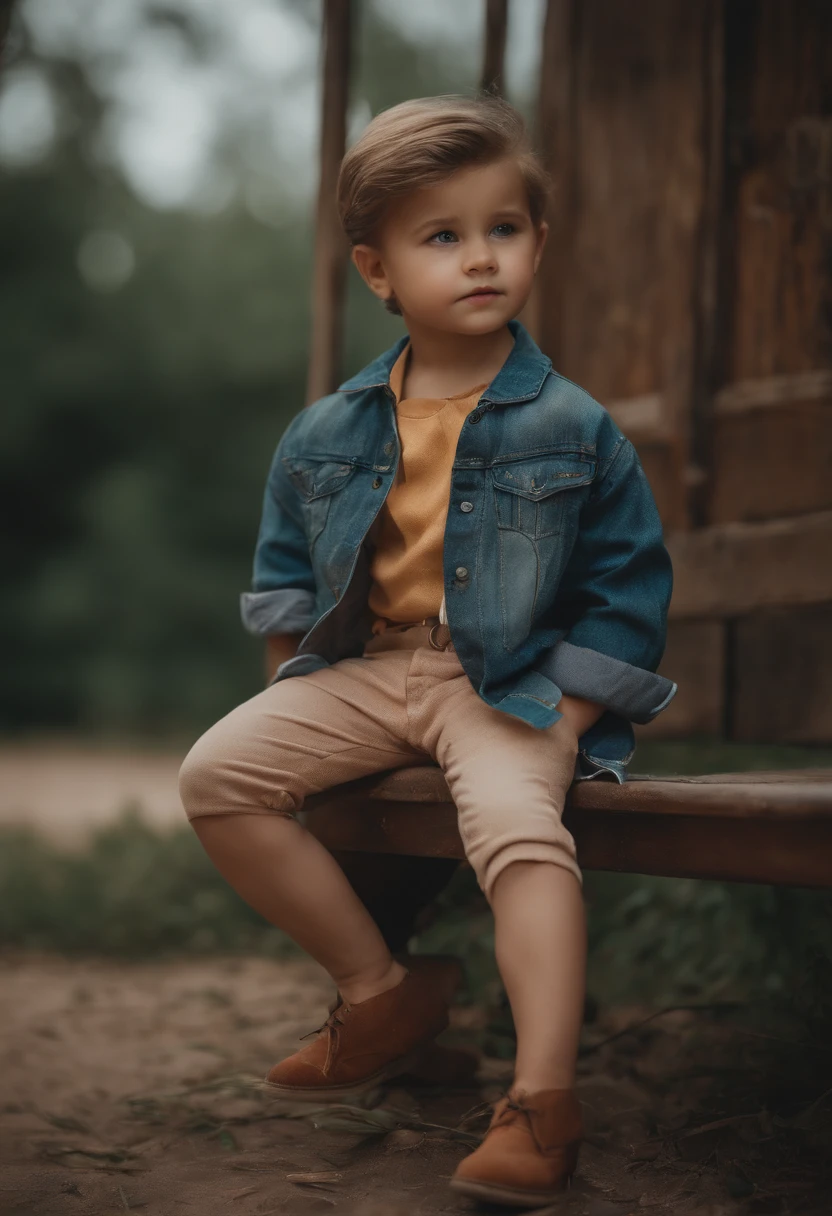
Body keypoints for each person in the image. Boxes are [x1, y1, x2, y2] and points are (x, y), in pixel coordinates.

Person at [179, 93, 677, 1208]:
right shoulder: (324, 432)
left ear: (538, 243)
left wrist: (571, 714)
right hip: (368, 674)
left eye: (502, 228)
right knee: (217, 775)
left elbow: (626, 589)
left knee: (515, 827)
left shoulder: (575, 427)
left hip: (506, 681)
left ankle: (540, 1103)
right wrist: (289, 698)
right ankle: (381, 992)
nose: (479, 257)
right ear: (378, 270)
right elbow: (287, 578)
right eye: (440, 236)